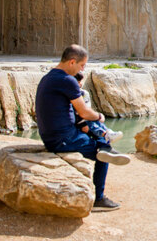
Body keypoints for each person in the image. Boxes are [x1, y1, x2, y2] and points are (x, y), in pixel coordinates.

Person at [35, 45, 130, 211]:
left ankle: (104, 143)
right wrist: (100, 116)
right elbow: (85, 112)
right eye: (82, 65)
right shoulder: (67, 80)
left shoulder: (48, 77)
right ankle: (98, 199)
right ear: (72, 62)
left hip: (53, 135)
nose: (83, 69)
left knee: (99, 141)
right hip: (63, 139)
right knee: (103, 156)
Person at [73, 73, 123, 144]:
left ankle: (107, 133)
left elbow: (87, 110)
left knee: (94, 119)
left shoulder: (83, 93)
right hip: (76, 121)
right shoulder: (69, 94)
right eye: (78, 82)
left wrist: (98, 116)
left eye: (80, 81)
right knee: (90, 122)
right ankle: (105, 134)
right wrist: (82, 124)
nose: (80, 84)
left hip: (83, 118)